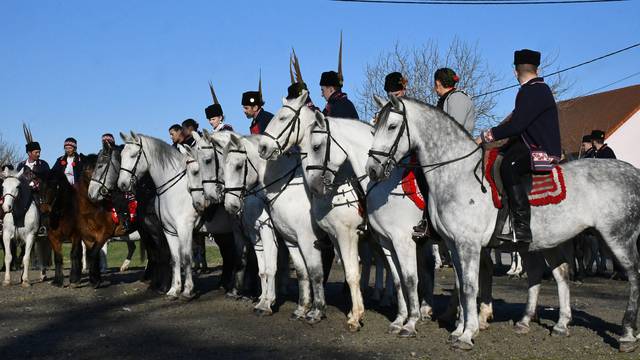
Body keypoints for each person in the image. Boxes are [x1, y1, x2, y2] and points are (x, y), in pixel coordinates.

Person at [477, 49, 561, 244]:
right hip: (530, 146)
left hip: (544, 153)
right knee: (497, 157)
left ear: (516, 71)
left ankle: (522, 228)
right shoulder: (535, 89)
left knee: (510, 166)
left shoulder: (535, 90)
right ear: (536, 69)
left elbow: (517, 125)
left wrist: (485, 136)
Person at [413, 68, 477, 239]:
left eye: (435, 85)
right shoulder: (446, 98)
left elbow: (451, 129)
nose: (435, 88)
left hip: (457, 152)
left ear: (438, 83)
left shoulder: (457, 99)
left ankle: (429, 219)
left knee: (422, 172)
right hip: (446, 151)